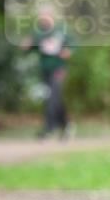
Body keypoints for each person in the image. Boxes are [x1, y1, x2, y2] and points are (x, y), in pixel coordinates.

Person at [23, 8, 74, 139]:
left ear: (51, 17)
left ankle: (48, 129)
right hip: (45, 69)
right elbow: (30, 48)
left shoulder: (60, 31)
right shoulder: (38, 33)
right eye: (41, 17)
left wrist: (68, 51)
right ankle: (67, 125)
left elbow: (72, 45)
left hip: (59, 69)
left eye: (46, 16)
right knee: (54, 98)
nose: (43, 19)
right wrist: (26, 46)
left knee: (52, 98)